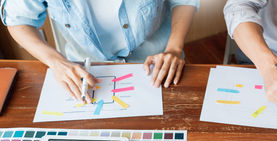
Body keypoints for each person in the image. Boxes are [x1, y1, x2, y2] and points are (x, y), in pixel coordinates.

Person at [1, 0, 198, 103]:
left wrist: (174, 47)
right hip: (85, 70)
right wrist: (56, 62)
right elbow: (19, 21)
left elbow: (183, 0)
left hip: (159, 61)